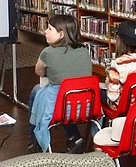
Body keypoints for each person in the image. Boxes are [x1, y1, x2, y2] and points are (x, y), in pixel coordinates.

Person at [28, 14, 93, 153]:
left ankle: (34, 139)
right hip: (85, 108)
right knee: (64, 97)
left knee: (36, 91)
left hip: (59, 109)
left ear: (61, 34)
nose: (45, 31)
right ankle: (73, 135)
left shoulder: (47, 52)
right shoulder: (84, 50)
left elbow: (39, 71)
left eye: (50, 28)